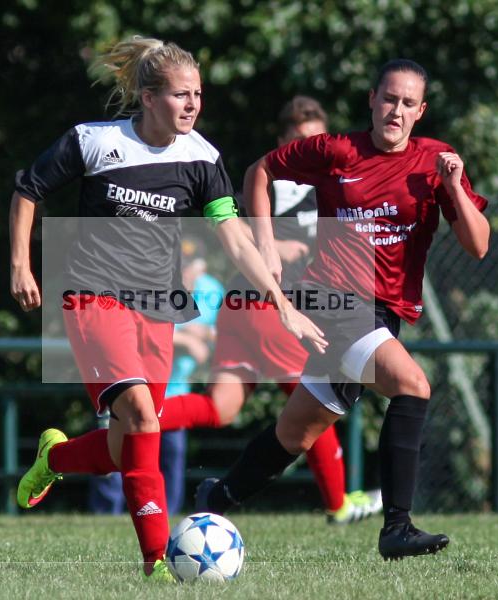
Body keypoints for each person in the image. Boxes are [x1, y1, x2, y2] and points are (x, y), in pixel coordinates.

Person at [9, 36, 325, 581]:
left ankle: (54, 459)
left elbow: (234, 237)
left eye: (198, 94)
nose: (193, 104)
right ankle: (156, 561)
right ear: (149, 97)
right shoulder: (95, 141)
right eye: (181, 94)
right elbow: (29, 189)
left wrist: (281, 303)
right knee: (140, 416)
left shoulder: (202, 158)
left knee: (128, 444)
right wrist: (20, 264)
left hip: (159, 306)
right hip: (94, 296)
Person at [195, 59, 490, 560]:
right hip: (332, 301)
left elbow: (478, 246)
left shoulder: (434, 161)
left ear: (421, 111)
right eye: (389, 98)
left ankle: (217, 497)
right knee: (413, 386)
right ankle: (397, 527)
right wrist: (264, 244)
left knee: (296, 432)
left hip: (384, 313)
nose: (396, 111)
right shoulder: (336, 150)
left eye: (408, 103)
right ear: (372, 99)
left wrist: (455, 188)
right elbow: (259, 171)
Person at [156, 96, 382, 524]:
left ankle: (138, 415)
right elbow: (225, 221)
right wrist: (272, 244)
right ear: (283, 143)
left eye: (317, 141)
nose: (310, 149)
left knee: (220, 407)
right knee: (315, 405)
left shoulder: (333, 187)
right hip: (268, 309)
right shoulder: (278, 180)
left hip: (241, 308)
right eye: (299, 141)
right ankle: (338, 505)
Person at [88, 237, 224, 515]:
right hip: (129, 388)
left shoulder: (212, 291)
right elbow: (132, 332)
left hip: (174, 391)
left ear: (201, 268)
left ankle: (166, 518)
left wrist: (206, 335)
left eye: (188, 266)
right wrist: (186, 338)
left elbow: (224, 332)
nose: (183, 272)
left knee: (171, 459)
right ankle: (105, 515)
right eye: (178, 265)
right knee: (117, 450)